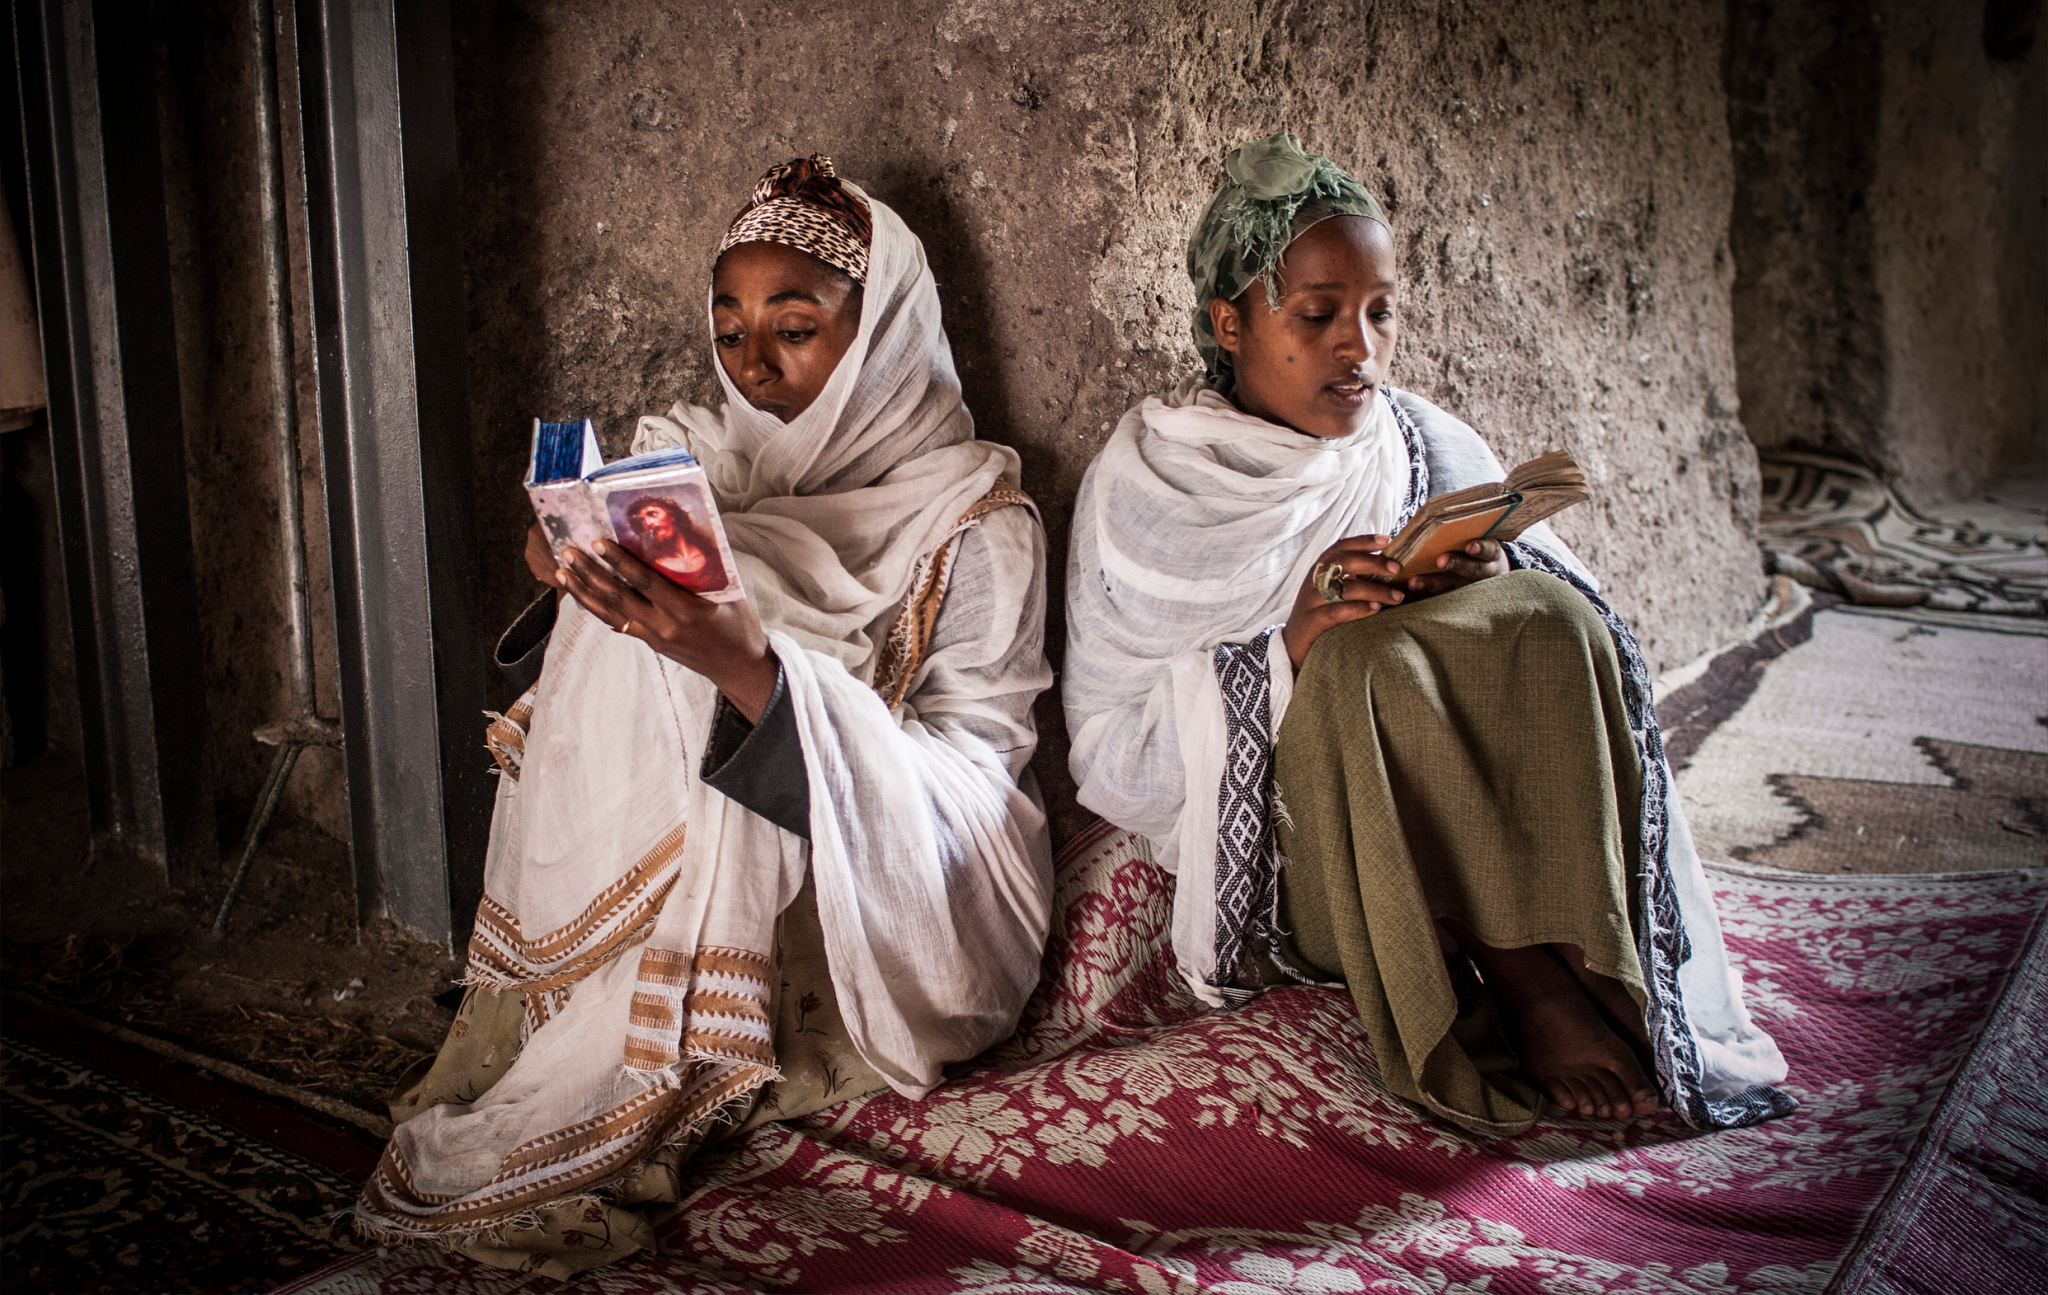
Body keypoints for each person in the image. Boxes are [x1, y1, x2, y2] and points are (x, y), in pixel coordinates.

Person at [355, 156, 1054, 1275]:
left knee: (733, 628)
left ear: (880, 332)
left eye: (795, 330)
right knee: (652, 621)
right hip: (730, 838)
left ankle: (694, 1023)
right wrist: (570, 570)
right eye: (730, 331)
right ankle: (629, 1000)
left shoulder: (974, 518)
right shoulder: (699, 459)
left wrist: (755, 674)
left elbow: (974, 772)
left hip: (889, 882)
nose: (754, 365)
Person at [1062, 134, 1792, 1137]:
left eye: (1380, 312)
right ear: (1230, 322)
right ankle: (1523, 976)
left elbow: (1565, 637)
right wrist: (1288, 648)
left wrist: (1485, 582)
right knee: (1361, 663)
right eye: (1316, 315)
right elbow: (1110, 759)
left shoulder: (1417, 440)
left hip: (1468, 811)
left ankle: (1591, 950)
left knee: (1546, 616)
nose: (1357, 347)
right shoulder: (1153, 483)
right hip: (1317, 865)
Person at [623, 494, 720, 589]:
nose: (648, 523)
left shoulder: (712, 555)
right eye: (642, 521)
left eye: (652, 514)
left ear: (672, 516)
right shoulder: (649, 567)